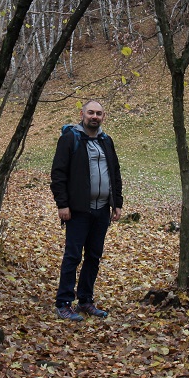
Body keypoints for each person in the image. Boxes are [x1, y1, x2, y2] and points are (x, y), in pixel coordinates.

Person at [50, 100, 123, 321]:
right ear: (82, 114)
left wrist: (117, 203)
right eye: (91, 112)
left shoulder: (106, 141)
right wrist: (62, 204)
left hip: (102, 210)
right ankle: (63, 303)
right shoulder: (70, 139)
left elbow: (115, 172)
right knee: (73, 256)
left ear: (103, 116)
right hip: (78, 211)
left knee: (93, 257)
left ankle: (85, 300)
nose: (94, 117)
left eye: (98, 113)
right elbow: (58, 174)